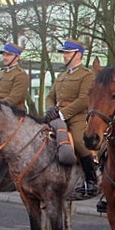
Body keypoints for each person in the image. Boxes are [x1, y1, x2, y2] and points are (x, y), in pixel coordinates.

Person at [44, 39, 98, 198]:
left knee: (80, 142)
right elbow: (50, 96)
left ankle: (91, 179)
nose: (64, 56)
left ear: (78, 55)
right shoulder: (61, 75)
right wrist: (50, 109)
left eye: (67, 53)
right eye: (64, 53)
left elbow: (84, 99)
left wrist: (63, 113)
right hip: (56, 114)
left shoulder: (87, 75)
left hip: (76, 117)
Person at [0, 43, 29, 112]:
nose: (5, 57)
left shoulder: (21, 74)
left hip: (15, 112)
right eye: (4, 55)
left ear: (17, 57)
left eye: (9, 55)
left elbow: (15, 97)